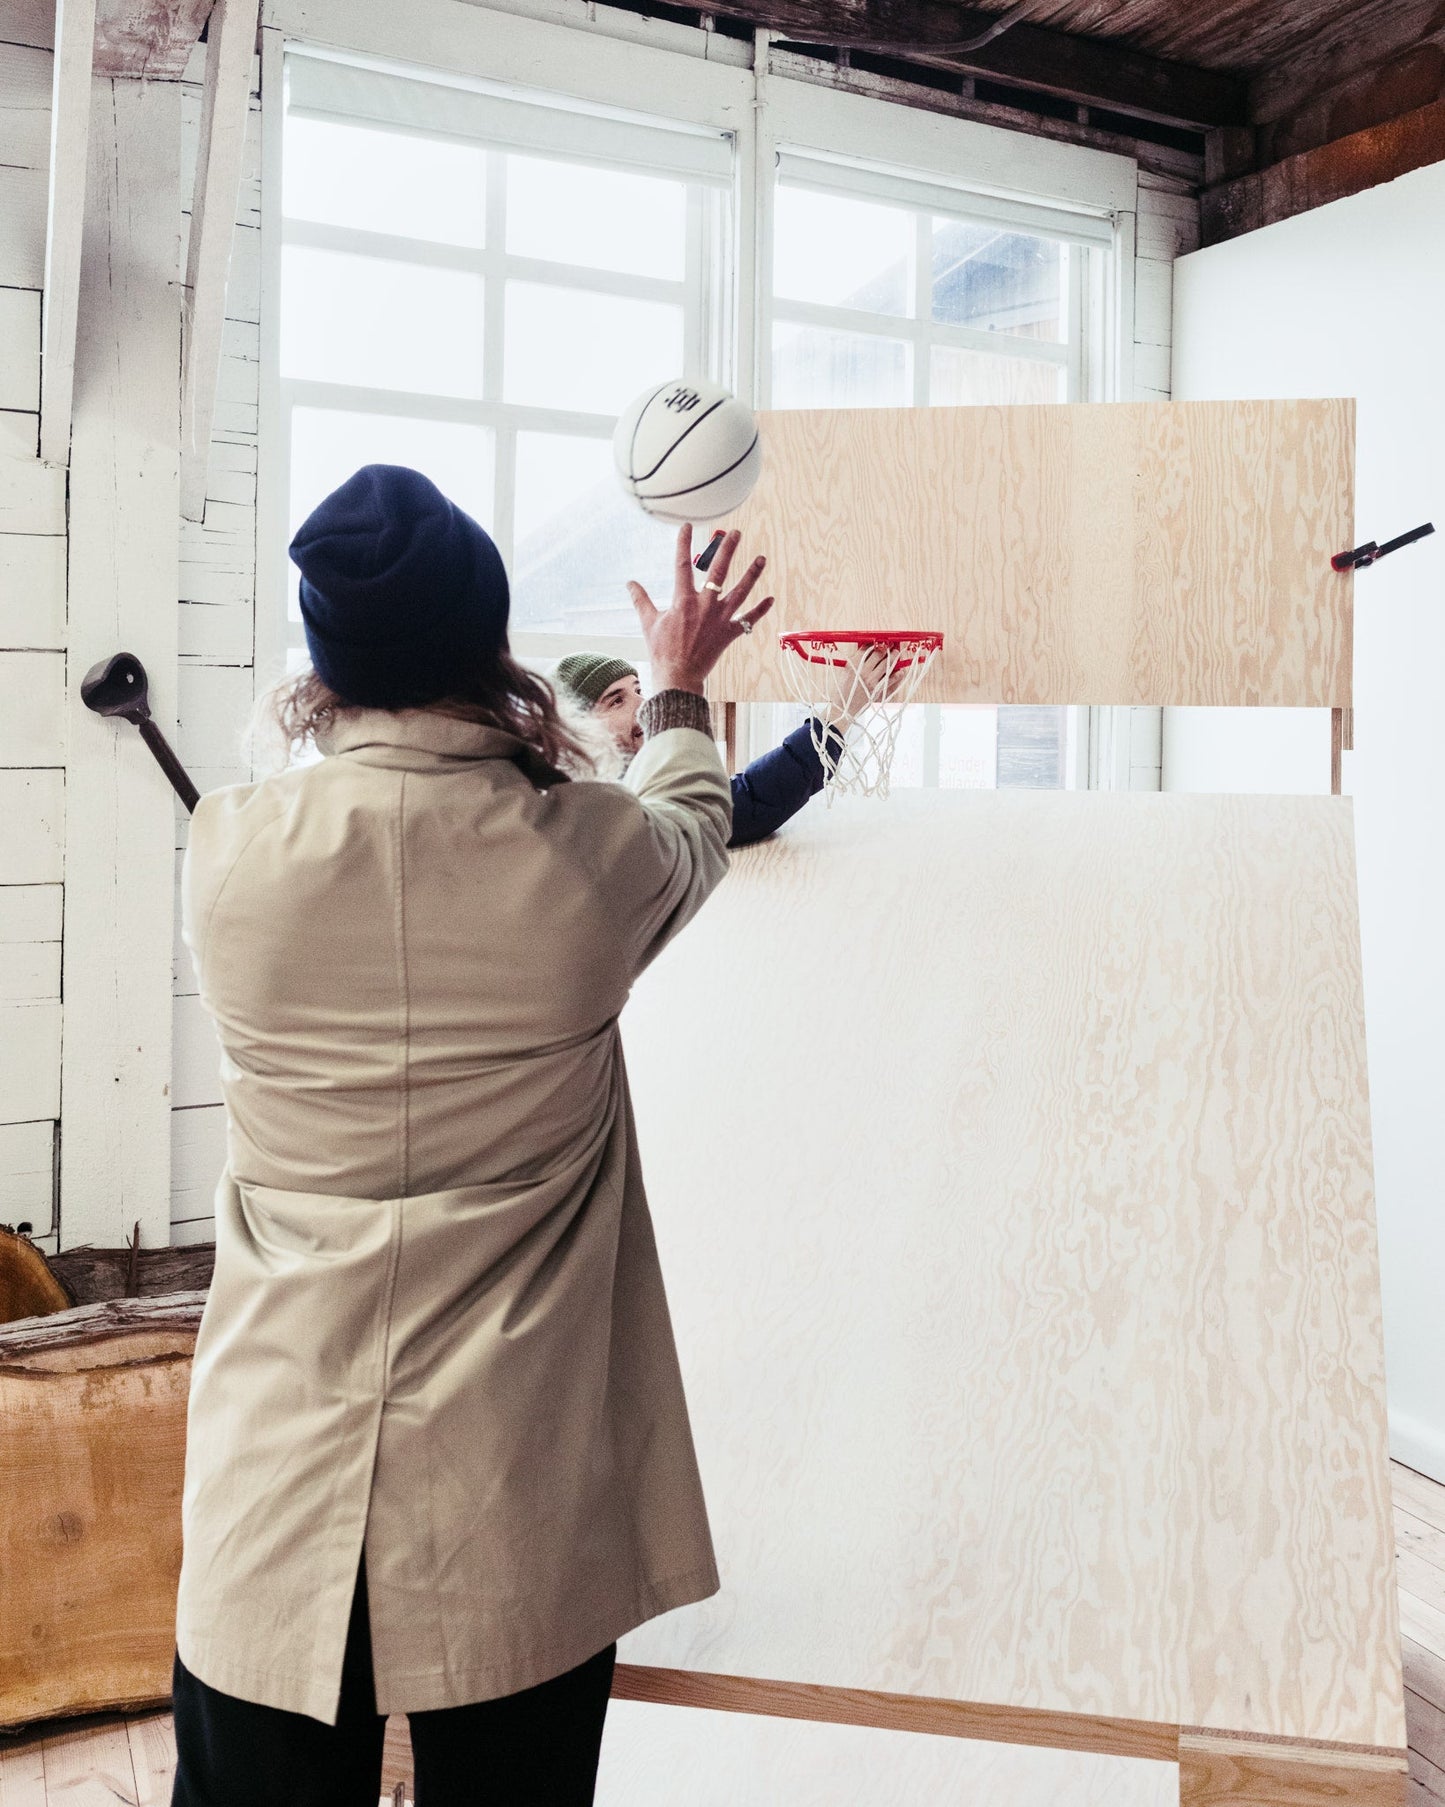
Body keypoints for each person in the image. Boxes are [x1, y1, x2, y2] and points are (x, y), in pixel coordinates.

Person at [170, 465, 772, 1807]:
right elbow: (691, 818)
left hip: (276, 1493)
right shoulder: (582, 863)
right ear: (491, 646)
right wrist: (674, 685)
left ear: (325, 661)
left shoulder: (227, 858)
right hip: (514, 1504)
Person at [554, 645, 878, 847]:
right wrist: (837, 714)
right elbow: (740, 806)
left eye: (639, 689)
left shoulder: (633, 775)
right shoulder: (600, 799)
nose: (644, 704)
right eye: (616, 701)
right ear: (576, 727)